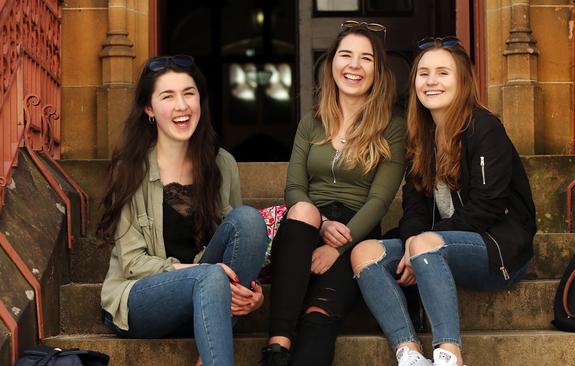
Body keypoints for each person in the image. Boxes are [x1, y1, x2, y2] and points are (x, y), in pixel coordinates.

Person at [350, 37, 537, 366]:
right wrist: (411, 243)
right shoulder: (420, 135)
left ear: (462, 81)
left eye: (442, 73)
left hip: (496, 250)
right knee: (364, 253)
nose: (431, 81)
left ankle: (450, 354)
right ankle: (408, 352)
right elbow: (415, 207)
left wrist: (423, 244)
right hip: (433, 249)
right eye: (424, 73)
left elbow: (487, 207)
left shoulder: (484, 128)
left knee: (424, 243)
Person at [97, 55, 268, 366]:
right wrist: (201, 273)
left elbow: (237, 249)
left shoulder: (222, 163)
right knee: (211, 277)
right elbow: (133, 263)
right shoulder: (130, 168)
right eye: (168, 96)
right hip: (143, 299)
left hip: (209, 298)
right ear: (149, 109)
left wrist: (252, 293)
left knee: (248, 221)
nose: (182, 106)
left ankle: (210, 349)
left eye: (189, 93)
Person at [260, 21, 407, 366]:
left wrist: (338, 245)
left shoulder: (393, 126)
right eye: (346, 55)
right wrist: (322, 223)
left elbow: (380, 201)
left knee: (317, 314)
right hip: (306, 227)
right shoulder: (311, 122)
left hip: (355, 234)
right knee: (304, 211)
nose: (354, 65)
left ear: (378, 71)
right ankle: (277, 347)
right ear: (331, 64)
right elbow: (294, 188)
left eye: (366, 58)